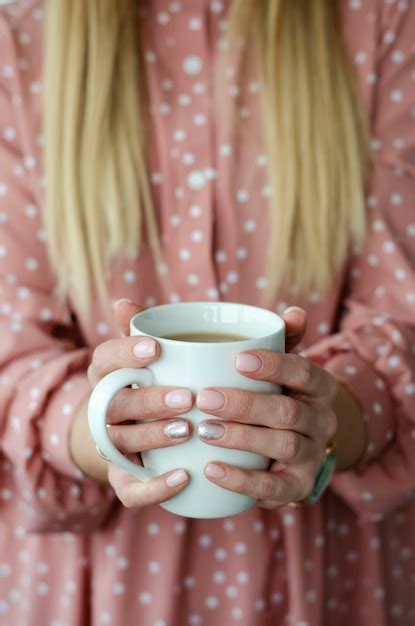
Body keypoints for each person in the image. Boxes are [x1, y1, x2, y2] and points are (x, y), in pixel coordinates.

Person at [0, 0, 414, 625]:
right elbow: (10, 347)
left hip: (331, 580)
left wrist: (326, 423)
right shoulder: (21, 39)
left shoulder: (382, 22)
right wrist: (100, 431)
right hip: (93, 585)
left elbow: (403, 312)